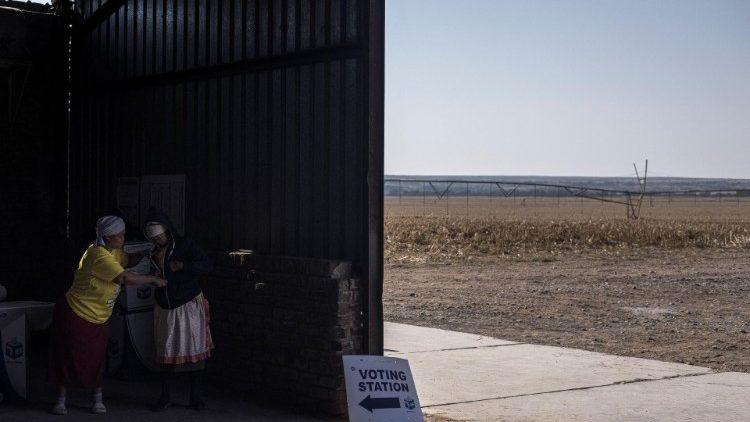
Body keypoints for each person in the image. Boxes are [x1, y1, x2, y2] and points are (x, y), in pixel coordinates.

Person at [48, 216, 167, 415]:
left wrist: (149, 251)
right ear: (108, 237)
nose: (122, 239)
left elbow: (128, 260)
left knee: (96, 359)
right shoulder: (97, 254)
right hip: (75, 313)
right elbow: (123, 277)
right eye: (119, 236)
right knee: (67, 357)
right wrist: (153, 280)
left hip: (99, 317)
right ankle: (61, 401)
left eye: (123, 235)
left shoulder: (114, 252)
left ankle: (97, 399)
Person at [143, 208, 213, 412]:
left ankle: (195, 396)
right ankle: (165, 396)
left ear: (168, 230)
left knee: (194, 349)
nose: (158, 240)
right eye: (154, 238)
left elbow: (207, 265)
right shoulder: (153, 251)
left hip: (187, 303)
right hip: (165, 306)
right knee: (165, 349)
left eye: (160, 236)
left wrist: (183, 265)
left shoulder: (186, 245)